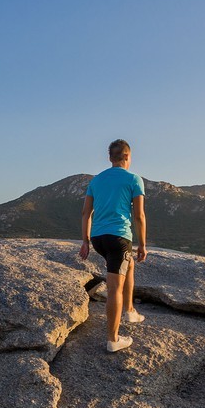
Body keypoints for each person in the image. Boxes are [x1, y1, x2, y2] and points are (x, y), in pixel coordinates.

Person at [80, 139, 147, 353]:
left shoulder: (96, 180)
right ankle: (113, 339)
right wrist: (142, 244)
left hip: (99, 238)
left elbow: (85, 213)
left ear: (110, 158)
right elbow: (139, 215)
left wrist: (85, 241)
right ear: (127, 157)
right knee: (114, 287)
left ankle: (129, 310)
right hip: (118, 237)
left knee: (128, 266)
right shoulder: (134, 179)